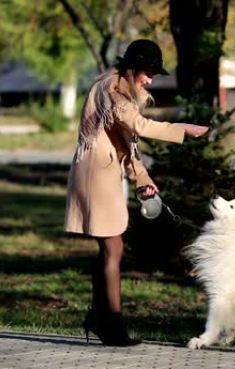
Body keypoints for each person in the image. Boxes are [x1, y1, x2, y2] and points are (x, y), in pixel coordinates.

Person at [64, 39, 209, 346]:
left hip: (104, 173)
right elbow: (139, 127)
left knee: (109, 250)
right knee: (113, 249)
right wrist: (183, 128)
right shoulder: (112, 91)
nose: (150, 79)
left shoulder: (121, 91)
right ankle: (112, 325)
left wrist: (142, 179)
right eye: (148, 72)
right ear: (132, 68)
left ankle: (99, 317)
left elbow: (125, 143)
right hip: (96, 176)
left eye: (153, 74)